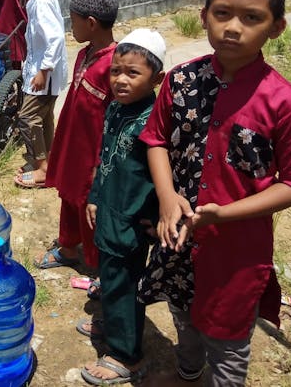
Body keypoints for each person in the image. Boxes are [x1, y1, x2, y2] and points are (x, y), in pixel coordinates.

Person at [138, 0, 291, 385]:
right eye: (222, 13)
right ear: (203, 16)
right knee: (182, 315)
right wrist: (167, 196)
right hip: (177, 234)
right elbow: (156, 139)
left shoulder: (285, 103)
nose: (233, 27)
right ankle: (187, 369)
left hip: (237, 250)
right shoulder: (181, 80)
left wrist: (224, 213)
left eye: (252, 18)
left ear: (276, 27)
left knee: (228, 341)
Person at [79, 29, 166, 385]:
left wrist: (158, 216)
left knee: (125, 281)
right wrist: (95, 196)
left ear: (156, 78)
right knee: (111, 276)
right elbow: (105, 157)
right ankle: (113, 326)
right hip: (110, 208)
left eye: (133, 73)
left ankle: (126, 353)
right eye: (116, 71)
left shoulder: (155, 119)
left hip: (133, 217)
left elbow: (165, 176)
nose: (121, 80)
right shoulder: (115, 108)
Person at [34, 0, 118, 278]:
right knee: (68, 197)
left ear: (91, 23)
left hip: (93, 154)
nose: (71, 26)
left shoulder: (115, 65)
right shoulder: (84, 55)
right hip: (73, 144)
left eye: (73, 20)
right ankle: (69, 248)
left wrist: (101, 162)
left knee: (87, 207)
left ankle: (96, 270)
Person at [13, 0, 68, 188]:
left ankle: (42, 168)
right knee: (43, 118)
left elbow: (54, 37)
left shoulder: (42, 1)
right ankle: (50, 163)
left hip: (44, 74)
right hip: (45, 72)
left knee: (27, 117)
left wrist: (43, 71)